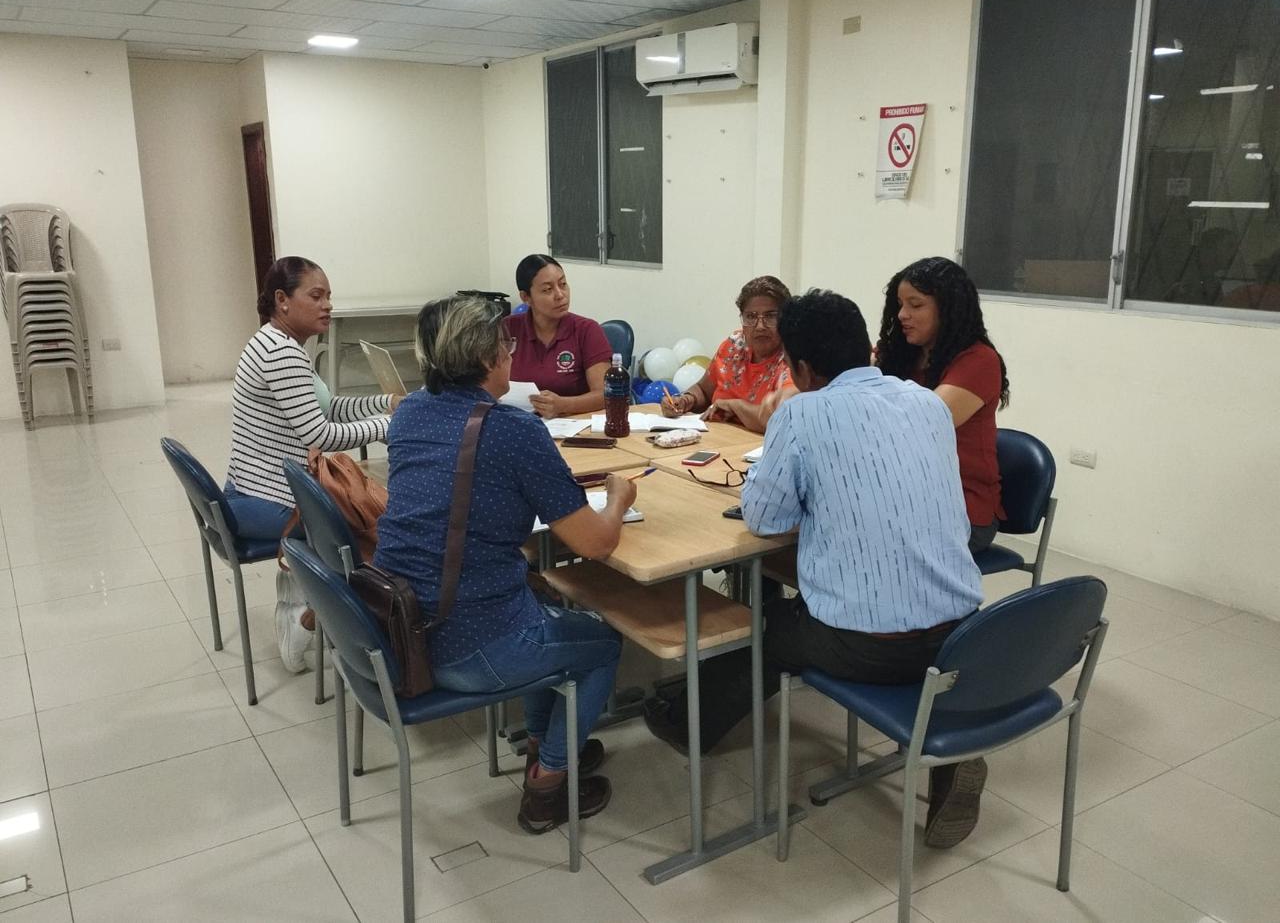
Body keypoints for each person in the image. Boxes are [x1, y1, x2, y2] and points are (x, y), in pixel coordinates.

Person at [646, 289, 988, 848]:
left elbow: (764, 519)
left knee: (765, 628)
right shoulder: (926, 403)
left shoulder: (802, 414)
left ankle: (684, 721)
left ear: (801, 368)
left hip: (870, 646)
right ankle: (951, 755)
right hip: (963, 634)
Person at [374, 295, 633, 834]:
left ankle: (542, 743)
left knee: (538, 600)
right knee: (603, 644)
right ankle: (548, 783)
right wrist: (618, 500)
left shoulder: (411, 412)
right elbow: (594, 544)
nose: (510, 351)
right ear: (489, 356)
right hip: (469, 646)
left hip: (403, 630)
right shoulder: (512, 430)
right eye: (505, 343)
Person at [226, 256, 400, 673]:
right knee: (373, 536)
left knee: (369, 519)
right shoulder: (281, 353)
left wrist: (386, 403)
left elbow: (328, 407)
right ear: (282, 300)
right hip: (271, 499)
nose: (327, 305)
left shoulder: (278, 342)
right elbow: (320, 435)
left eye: (329, 297)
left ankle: (299, 591)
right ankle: (308, 619)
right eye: (316, 296)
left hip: (253, 489)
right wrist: (389, 425)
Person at [875, 257, 1010, 553]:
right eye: (900, 304)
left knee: (859, 539)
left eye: (916, 305)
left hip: (961, 509)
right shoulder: (902, 353)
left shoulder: (979, 360)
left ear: (948, 308)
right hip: (905, 496)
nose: (902, 315)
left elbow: (921, 423)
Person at [660, 275, 798, 432]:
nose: (760, 326)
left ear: (786, 319)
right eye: (751, 317)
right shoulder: (734, 345)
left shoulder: (793, 358)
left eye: (770, 316)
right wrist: (685, 400)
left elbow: (781, 418)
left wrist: (735, 406)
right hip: (718, 438)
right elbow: (703, 390)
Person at [504, 254, 614, 418]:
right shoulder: (507, 329)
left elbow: (606, 395)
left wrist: (563, 405)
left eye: (563, 284)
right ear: (526, 297)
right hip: (517, 423)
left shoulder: (587, 330)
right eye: (547, 290)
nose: (560, 295)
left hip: (571, 424)